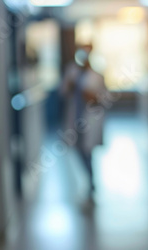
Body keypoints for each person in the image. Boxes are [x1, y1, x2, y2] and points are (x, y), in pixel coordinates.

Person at [60, 44, 107, 198]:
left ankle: (91, 180)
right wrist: (70, 86)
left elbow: (104, 98)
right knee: (78, 150)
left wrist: (92, 96)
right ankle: (90, 178)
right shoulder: (72, 72)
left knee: (88, 151)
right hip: (75, 117)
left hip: (90, 120)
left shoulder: (97, 76)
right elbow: (63, 93)